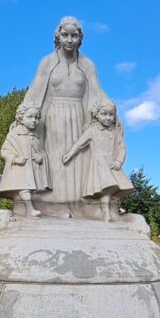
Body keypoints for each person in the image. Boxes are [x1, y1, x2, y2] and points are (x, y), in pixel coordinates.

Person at [22, 16, 109, 217]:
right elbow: (35, 90)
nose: (69, 40)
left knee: (78, 161)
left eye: (74, 36)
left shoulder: (87, 65)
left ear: (80, 38)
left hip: (79, 116)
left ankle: (80, 206)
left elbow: (97, 91)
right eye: (65, 35)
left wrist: (109, 109)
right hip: (53, 117)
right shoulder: (48, 62)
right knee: (55, 160)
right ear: (58, 37)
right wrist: (23, 116)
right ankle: (54, 207)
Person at [63, 100, 133, 221]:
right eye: (104, 114)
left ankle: (109, 207)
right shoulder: (92, 130)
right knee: (107, 187)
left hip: (111, 164)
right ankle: (105, 210)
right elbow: (80, 144)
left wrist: (119, 161)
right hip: (99, 164)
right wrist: (69, 154)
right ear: (96, 115)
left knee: (115, 187)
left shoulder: (115, 132)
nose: (108, 118)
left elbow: (122, 148)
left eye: (111, 115)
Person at [0, 102, 50, 217]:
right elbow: (4, 151)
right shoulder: (14, 134)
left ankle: (29, 209)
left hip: (33, 170)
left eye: (36, 117)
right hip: (20, 169)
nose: (34, 120)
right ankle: (30, 209)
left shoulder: (37, 136)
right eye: (30, 117)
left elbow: (41, 151)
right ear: (21, 118)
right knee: (24, 189)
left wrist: (41, 157)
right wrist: (15, 159)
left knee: (29, 190)